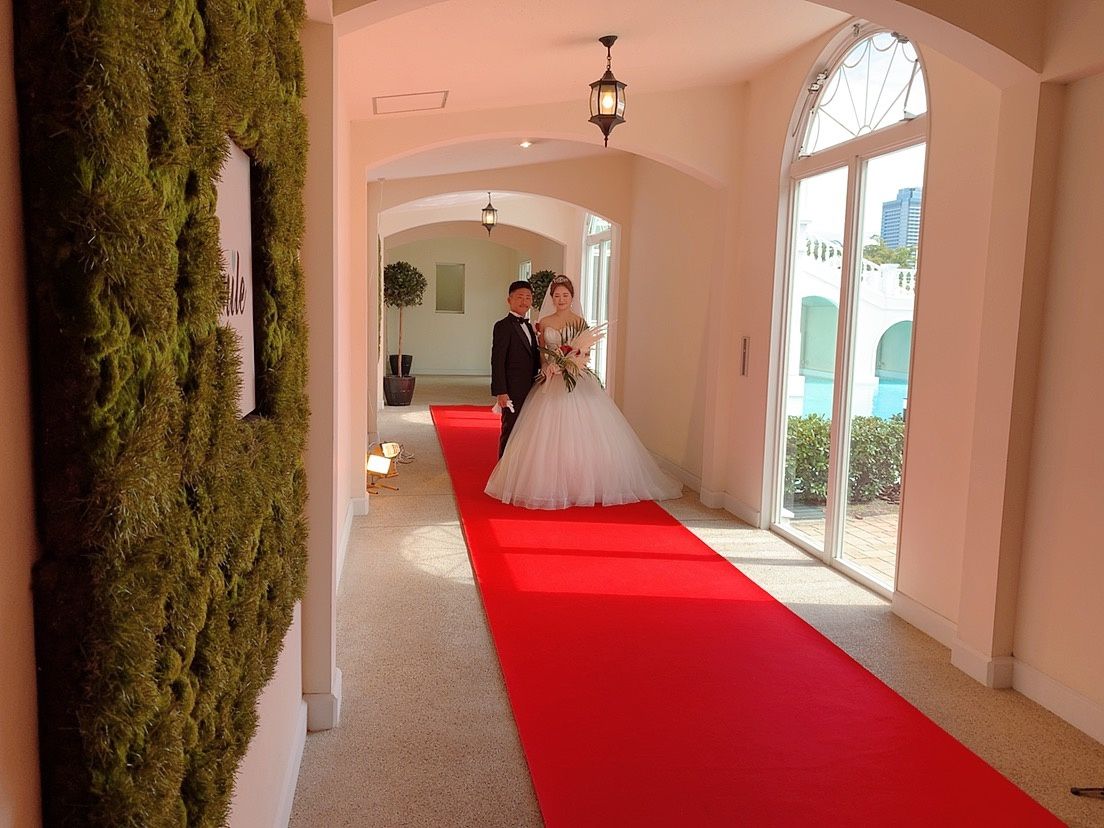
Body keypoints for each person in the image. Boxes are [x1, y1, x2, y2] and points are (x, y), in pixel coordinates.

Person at [485, 275, 682, 509]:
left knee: (581, 434)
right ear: (550, 298)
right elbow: (538, 354)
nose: (561, 299)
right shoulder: (542, 323)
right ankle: (509, 473)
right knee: (530, 432)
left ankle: (579, 482)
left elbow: (585, 352)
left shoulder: (579, 322)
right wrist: (549, 367)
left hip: (576, 380)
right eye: (557, 295)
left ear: (572, 297)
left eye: (565, 295)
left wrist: (571, 364)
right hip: (549, 382)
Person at [490, 280, 541, 458]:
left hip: (531, 387)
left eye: (528, 298)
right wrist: (501, 391)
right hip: (512, 389)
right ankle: (503, 469)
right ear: (509, 300)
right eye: (519, 297)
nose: (524, 301)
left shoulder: (530, 327)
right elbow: (497, 360)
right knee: (510, 429)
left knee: (526, 431)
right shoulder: (502, 326)